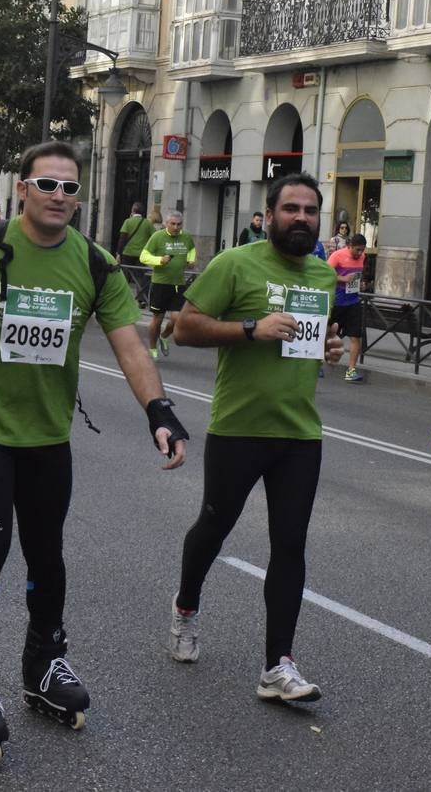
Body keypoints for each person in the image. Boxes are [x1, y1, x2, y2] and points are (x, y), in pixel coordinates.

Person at [0, 140, 188, 764]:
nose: (60, 196)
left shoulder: (94, 263)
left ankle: (44, 663)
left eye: (71, 188)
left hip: (48, 434)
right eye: (48, 184)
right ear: (23, 189)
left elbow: (129, 345)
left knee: (47, 553)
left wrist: (159, 411)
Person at [167, 172, 342, 703]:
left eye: (311, 210)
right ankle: (186, 606)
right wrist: (250, 329)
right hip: (238, 428)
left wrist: (326, 350)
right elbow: (185, 327)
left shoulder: (322, 276)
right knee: (214, 527)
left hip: (299, 432)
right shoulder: (234, 264)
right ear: (268, 215)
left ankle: (277, 667)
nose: (302, 219)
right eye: (291, 209)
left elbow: (311, 340)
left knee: (290, 545)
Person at [139, 210, 195, 358]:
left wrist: (191, 260)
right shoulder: (157, 237)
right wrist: (159, 261)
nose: (176, 227)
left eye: (179, 224)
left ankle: (163, 337)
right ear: (166, 224)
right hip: (160, 284)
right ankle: (152, 348)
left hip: (179, 284)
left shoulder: (186, 236)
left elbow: (191, 250)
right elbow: (143, 256)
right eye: (173, 224)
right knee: (157, 319)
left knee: (178, 319)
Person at [326, 233, 367, 382]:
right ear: (349, 246)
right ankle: (316, 364)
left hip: (353, 301)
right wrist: (343, 278)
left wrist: (361, 284)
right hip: (336, 301)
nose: (360, 253)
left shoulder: (363, 257)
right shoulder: (337, 255)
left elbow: (358, 276)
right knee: (326, 333)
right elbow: (325, 274)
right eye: (357, 250)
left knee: (356, 336)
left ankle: (351, 370)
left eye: (362, 250)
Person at [116, 202, 154, 307]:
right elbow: (154, 237)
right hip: (141, 255)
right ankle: (141, 300)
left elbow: (122, 238)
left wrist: (118, 253)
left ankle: (122, 299)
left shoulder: (128, 222)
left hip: (127, 254)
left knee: (124, 277)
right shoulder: (147, 223)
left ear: (133, 211)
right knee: (140, 278)